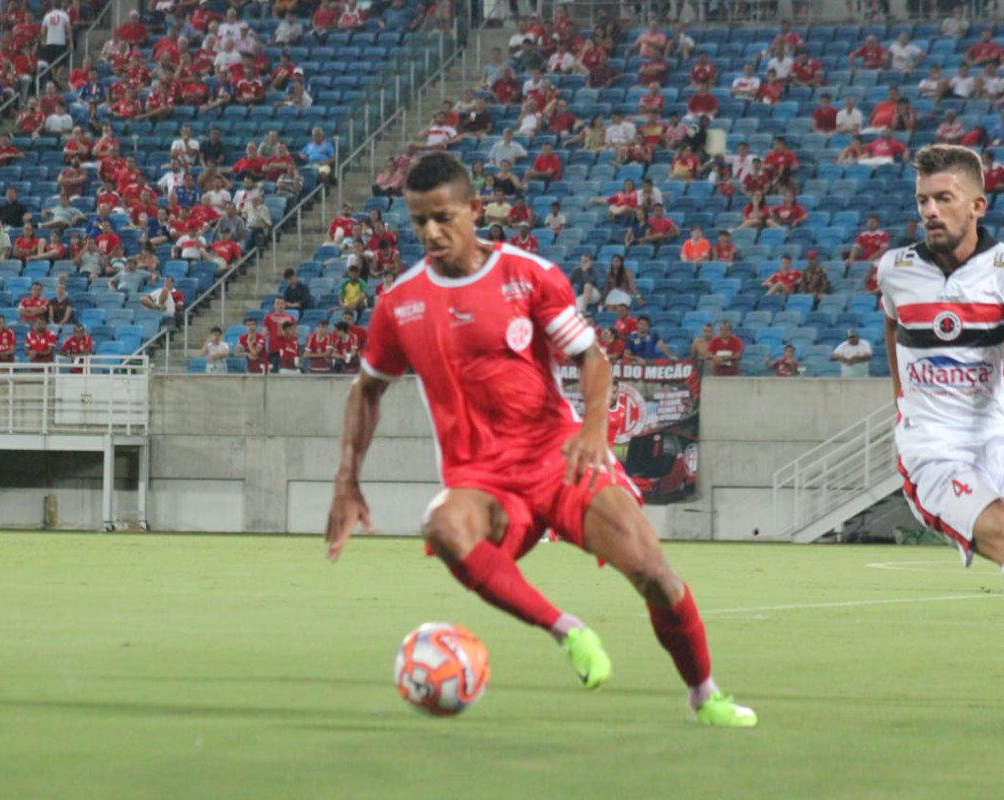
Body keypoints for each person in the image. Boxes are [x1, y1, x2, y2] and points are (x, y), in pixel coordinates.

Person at [324, 152, 756, 727]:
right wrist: (347, 477)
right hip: (482, 483)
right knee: (442, 525)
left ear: (475, 210)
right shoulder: (399, 304)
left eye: (443, 217)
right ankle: (568, 630)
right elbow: (366, 390)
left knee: (654, 574)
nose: (431, 232)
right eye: (419, 221)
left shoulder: (528, 276)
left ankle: (706, 694)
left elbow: (591, 358)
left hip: (559, 461)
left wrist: (594, 427)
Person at [878, 143, 1004, 669]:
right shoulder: (896, 269)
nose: (930, 211)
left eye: (944, 198)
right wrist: (902, 400)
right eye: (923, 201)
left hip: (996, 439)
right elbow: (892, 324)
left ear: (977, 205)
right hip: (932, 453)